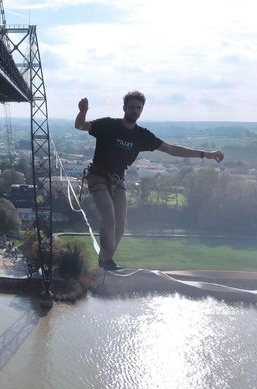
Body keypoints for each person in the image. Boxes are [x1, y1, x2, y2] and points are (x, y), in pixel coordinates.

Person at [74, 91, 224, 270]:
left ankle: (107, 258)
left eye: (138, 108)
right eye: (131, 107)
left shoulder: (142, 136)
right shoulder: (108, 125)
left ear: (142, 110)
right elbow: (80, 125)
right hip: (98, 176)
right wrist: (83, 111)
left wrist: (205, 155)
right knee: (109, 215)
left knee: (121, 224)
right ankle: (106, 259)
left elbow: (171, 149)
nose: (135, 111)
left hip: (117, 181)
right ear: (124, 108)